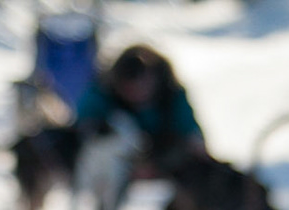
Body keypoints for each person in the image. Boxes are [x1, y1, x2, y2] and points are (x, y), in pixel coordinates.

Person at [74, 45, 207, 173]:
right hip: (110, 167)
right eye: (129, 89)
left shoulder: (172, 97)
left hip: (163, 163)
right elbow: (81, 127)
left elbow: (191, 136)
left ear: (155, 80)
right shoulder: (101, 95)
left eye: (142, 87)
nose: (136, 94)